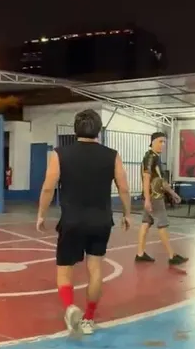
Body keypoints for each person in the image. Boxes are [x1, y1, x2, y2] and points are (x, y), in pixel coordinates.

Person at [36, 109, 131, 336]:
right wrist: (127, 214)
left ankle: (70, 307)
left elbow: (48, 187)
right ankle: (88, 319)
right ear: (98, 130)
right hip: (101, 221)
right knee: (95, 269)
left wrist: (41, 214)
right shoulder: (112, 155)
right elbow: (124, 187)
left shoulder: (60, 154)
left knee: (64, 269)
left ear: (75, 129)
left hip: (72, 221)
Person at [136, 131, 189, 265]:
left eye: (164, 142)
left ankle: (140, 253)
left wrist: (173, 193)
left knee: (146, 223)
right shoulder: (150, 157)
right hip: (154, 197)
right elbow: (146, 178)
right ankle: (172, 256)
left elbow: (161, 181)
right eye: (160, 141)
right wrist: (148, 199)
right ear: (152, 142)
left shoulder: (155, 157)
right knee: (162, 224)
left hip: (153, 196)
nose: (163, 144)